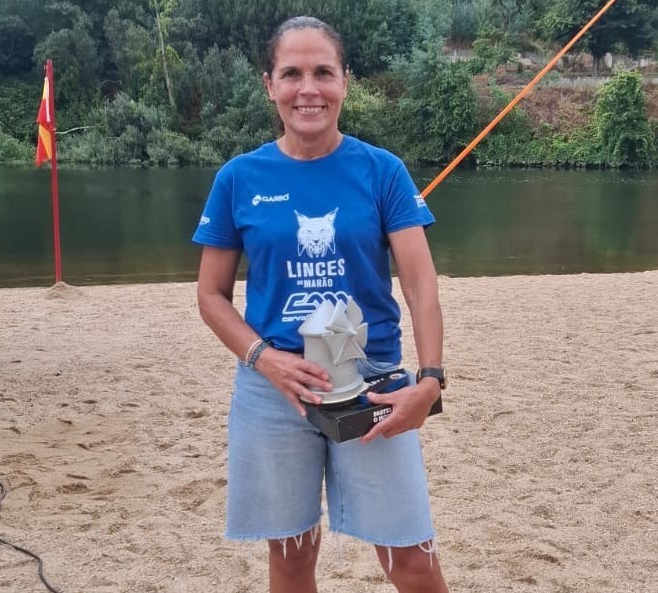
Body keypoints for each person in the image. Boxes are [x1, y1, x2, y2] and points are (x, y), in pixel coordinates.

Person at [192, 15, 449, 593]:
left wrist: (430, 379)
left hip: (372, 384)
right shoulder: (239, 178)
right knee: (290, 557)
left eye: (323, 73)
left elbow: (420, 283)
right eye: (292, 74)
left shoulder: (382, 171)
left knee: (411, 558)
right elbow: (210, 295)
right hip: (274, 390)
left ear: (344, 82)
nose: (308, 89)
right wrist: (265, 359)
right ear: (269, 85)